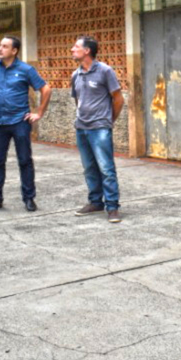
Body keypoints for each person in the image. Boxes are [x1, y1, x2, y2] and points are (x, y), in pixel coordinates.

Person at [0, 36, 50, 213]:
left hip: (20, 122)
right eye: (0, 45)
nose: (0, 49)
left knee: (25, 160)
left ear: (14, 51)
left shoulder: (25, 69)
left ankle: (29, 198)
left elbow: (45, 89)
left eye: (5, 46)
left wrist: (39, 112)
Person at [71, 35, 125, 224]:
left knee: (106, 168)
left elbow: (118, 99)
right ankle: (95, 202)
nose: (72, 49)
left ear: (87, 51)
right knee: (89, 168)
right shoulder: (75, 75)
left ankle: (112, 207)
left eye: (76, 47)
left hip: (100, 128)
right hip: (81, 128)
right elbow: (78, 100)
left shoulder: (104, 71)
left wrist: (108, 121)